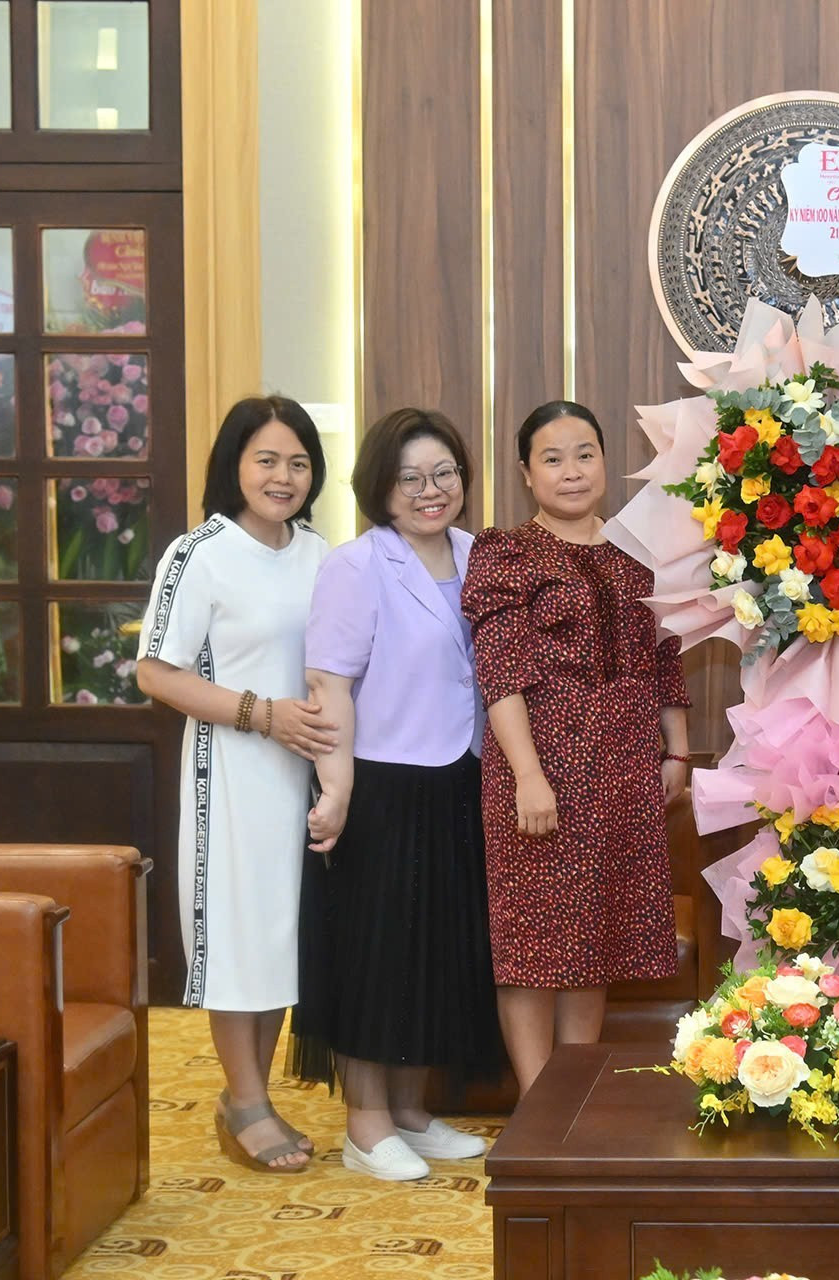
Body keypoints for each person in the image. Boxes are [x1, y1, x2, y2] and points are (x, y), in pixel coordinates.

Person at [294, 407, 504, 1181]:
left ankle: (412, 1114)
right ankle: (366, 1123)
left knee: (439, 949)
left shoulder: (479, 555)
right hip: (379, 781)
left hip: (461, 776)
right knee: (375, 954)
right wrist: (337, 788)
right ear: (380, 488)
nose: (430, 490)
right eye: (410, 478)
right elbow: (329, 686)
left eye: (444, 473)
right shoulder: (356, 566)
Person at [462, 401, 692, 1095]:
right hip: (541, 769)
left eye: (585, 453)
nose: (571, 471)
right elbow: (500, 669)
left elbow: (667, 655)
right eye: (553, 458)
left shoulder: (637, 552)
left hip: (624, 769)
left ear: (603, 462)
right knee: (533, 944)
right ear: (528, 473)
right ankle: (539, 1111)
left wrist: (676, 752)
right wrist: (528, 775)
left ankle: (574, 1099)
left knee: (594, 938)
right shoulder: (505, 552)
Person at [136, 396, 335, 1174]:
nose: (283, 476)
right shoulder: (202, 552)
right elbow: (154, 670)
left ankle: (252, 1093)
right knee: (238, 932)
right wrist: (261, 714)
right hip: (233, 772)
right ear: (234, 465)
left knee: (282, 934)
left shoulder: (319, 553)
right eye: (267, 460)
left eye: (298, 462)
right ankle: (243, 1098)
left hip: (307, 773)